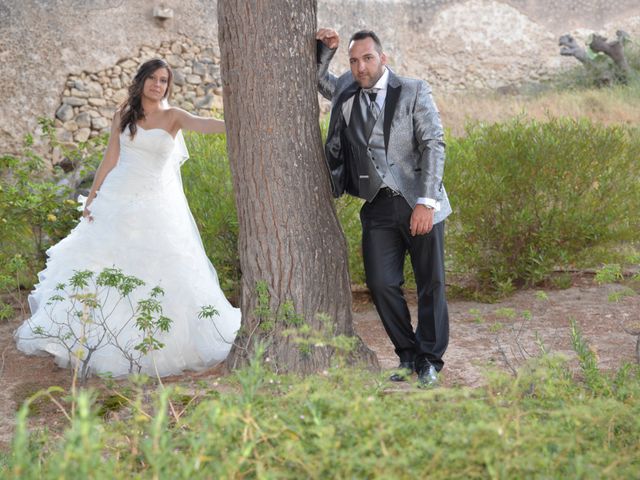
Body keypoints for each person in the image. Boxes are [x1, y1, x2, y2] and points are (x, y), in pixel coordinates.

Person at [15, 58, 240, 377]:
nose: (157, 84)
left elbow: (204, 123)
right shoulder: (123, 114)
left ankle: (155, 340)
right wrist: (92, 197)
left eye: (163, 80)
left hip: (156, 204)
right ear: (141, 81)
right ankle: (87, 335)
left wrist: (241, 120)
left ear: (167, 86)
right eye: (152, 78)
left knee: (160, 267)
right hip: (117, 198)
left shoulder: (173, 116)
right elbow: (111, 157)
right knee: (103, 262)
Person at [316, 29, 451, 387]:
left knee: (431, 283)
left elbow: (434, 145)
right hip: (377, 205)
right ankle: (407, 355)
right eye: (354, 60)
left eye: (367, 58)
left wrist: (426, 201)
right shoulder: (347, 89)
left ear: (383, 58)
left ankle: (429, 361)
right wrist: (325, 51)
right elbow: (319, 82)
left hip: (417, 200)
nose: (361, 67)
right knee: (380, 283)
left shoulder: (413, 90)